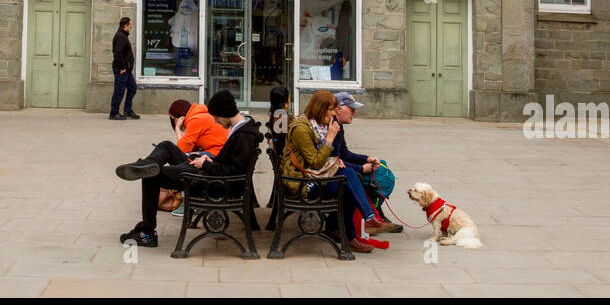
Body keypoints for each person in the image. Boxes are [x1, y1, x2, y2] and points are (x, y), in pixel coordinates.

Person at [115, 89, 262, 248]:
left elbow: (234, 171)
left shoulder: (244, 136)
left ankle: (147, 233)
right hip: (209, 173)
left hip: (210, 182)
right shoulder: (242, 128)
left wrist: (205, 164)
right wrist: (208, 159)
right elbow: (230, 164)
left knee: (153, 176)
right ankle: (145, 164)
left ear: (223, 113)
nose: (215, 121)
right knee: (166, 146)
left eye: (215, 117)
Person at [282, 92, 391, 253]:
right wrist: (330, 139)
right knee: (348, 179)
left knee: (347, 180)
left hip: (316, 177)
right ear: (321, 109)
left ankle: (355, 232)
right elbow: (316, 161)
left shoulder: (321, 125)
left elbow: (340, 155)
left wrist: (359, 160)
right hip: (304, 184)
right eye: (331, 109)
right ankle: (364, 223)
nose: (333, 113)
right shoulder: (301, 129)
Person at [332, 91, 401, 233]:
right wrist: (362, 168)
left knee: (380, 165)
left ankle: (374, 215)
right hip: (331, 177)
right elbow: (336, 161)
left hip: (336, 171)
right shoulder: (333, 126)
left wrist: (366, 159)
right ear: (339, 108)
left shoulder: (337, 125)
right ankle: (371, 217)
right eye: (352, 110)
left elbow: (344, 154)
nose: (354, 114)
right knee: (369, 178)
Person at [110, 17, 139, 120]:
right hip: (121, 69)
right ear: (125, 26)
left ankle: (127, 110)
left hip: (126, 70)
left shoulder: (123, 36)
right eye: (129, 25)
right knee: (119, 91)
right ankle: (114, 113)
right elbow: (117, 53)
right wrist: (122, 67)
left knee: (132, 88)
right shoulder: (121, 36)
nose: (131, 26)